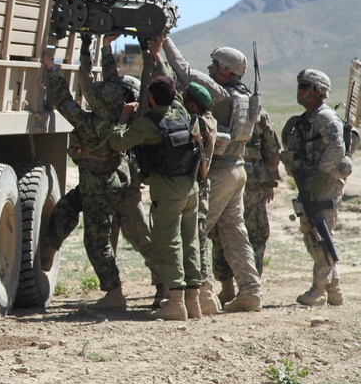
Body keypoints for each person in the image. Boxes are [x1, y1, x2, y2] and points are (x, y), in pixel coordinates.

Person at [40, 34, 158, 304]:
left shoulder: (89, 124)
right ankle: (49, 246)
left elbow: (63, 101)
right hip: (107, 183)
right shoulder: (124, 116)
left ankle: (114, 292)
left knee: (96, 241)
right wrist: (104, 47)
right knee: (68, 207)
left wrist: (52, 68)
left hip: (100, 189)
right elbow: (112, 81)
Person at [159, 36, 262, 313]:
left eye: (216, 64)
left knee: (198, 230)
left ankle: (204, 294)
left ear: (227, 71)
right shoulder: (244, 96)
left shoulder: (221, 94)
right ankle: (251, 291)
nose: (211, 67)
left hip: (219, 171)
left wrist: (164, 41)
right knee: (234, 233)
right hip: (237, 170)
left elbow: (185, 72)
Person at [110, 76, 201, 321]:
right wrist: (158, 57)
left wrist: (123, 118)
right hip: (191, 188)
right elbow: (174, 94)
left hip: (168, 192)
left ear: (150, 98)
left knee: (168, 244)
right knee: (189, 242)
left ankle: (175, 302)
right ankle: (194, 301)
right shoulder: (180, 113)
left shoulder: (149, 124)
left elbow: (117, 141)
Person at [281, 69, 353, 306]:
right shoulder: (310, 117)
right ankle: (334, 289)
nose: (299, 91)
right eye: (299, 86)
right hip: (311, 181)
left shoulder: (325, 117)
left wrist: (321, 176)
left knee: (319, 234)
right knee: (312, 233)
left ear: (319, 91)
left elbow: (337, 148)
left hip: (326, 184)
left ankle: (319, 289)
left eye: (305, 86)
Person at [213, 109, 281, 303]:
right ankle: (251, 287)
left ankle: (227, 288)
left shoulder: (218, 105)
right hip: (254, 181)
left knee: (222, 232)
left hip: (223, 177)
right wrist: (270, 179)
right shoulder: (254, 109)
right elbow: (272, 147)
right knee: (255, 235)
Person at [181, 81, 222, 316]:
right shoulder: (210, 119)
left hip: (198, 182)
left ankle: (205, 293)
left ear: (193, 105)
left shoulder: (198, 124)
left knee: (197, 240)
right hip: (202, 184)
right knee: (199, 239)